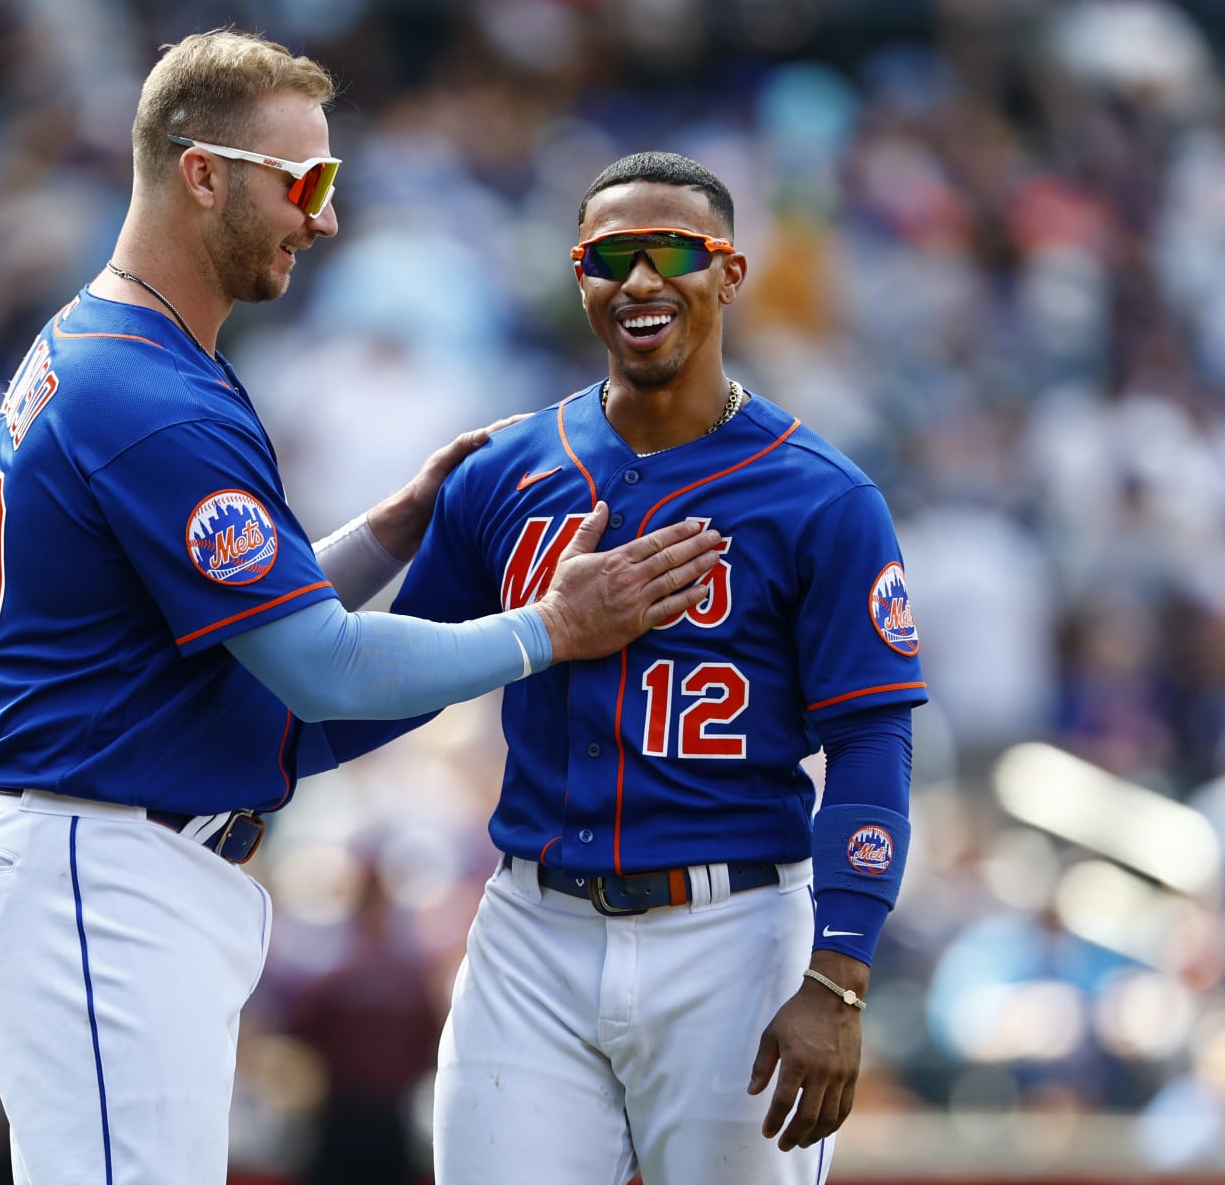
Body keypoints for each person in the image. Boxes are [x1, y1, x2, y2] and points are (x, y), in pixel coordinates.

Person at [0, 33, 724, 1185]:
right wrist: (554, 629)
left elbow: (248, 623)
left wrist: (389, 532)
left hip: (115, 856)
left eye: (332, 184)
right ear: (202, 173)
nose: (327, 219)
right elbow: (318, 670)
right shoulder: (143, 390)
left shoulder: (131, 350)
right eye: (303, 183)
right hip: (97, 868)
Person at [327, 151, 929, 1183]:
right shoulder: (508, 470)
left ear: (730, 273)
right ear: (579, 277)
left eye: (675, 252)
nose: (641, 280)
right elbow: (400, 675)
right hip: (532, 922)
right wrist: (243, 761)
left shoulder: (822, 496)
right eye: (611, 257)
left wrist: (838, 976)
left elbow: (872, 743)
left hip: (734, 929)